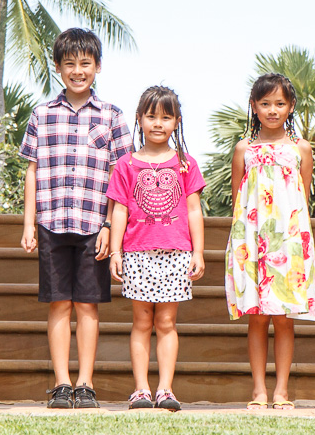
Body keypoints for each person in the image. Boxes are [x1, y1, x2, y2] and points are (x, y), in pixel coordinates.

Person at [20, 28, 133, 409]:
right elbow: (32, 171)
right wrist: (29, 224)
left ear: (98, 67)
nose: (77, 71)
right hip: (51, 221)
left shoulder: (112, 116)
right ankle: (61, 383)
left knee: (87, 305)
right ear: (57, 67)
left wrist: (109, 227)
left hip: (94, 225)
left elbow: (121, 178)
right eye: (69, 64)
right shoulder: (42, 115)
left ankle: (85, 384)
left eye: (85, 63)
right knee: (58, 304)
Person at [107, 85, 206, 411]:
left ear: (177, 121)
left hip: (177, 253)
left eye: (166, 117)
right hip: (136, 253)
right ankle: (140, 390)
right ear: (139, 119)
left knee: (166, 323)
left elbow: (194, 210)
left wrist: (198, 251)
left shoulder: (186, 164)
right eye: (151, 116)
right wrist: (116, 252)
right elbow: (119, 210)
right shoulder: (125, 165)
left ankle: (165, 389)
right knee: (141, 323)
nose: (158, 123)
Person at [224, 73, 315, 410]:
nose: (272, 110)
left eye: (280, 103)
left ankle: (282, 391)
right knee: (257, 317)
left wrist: (298, 244)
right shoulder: (243, 149)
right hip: (251, 239)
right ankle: (259, 391)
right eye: (265, 103)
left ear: (290, 107)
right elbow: (238, 200)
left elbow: (303, 198)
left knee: (283, 318)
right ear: (254, 106)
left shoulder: (300, 148)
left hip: (288, 241)